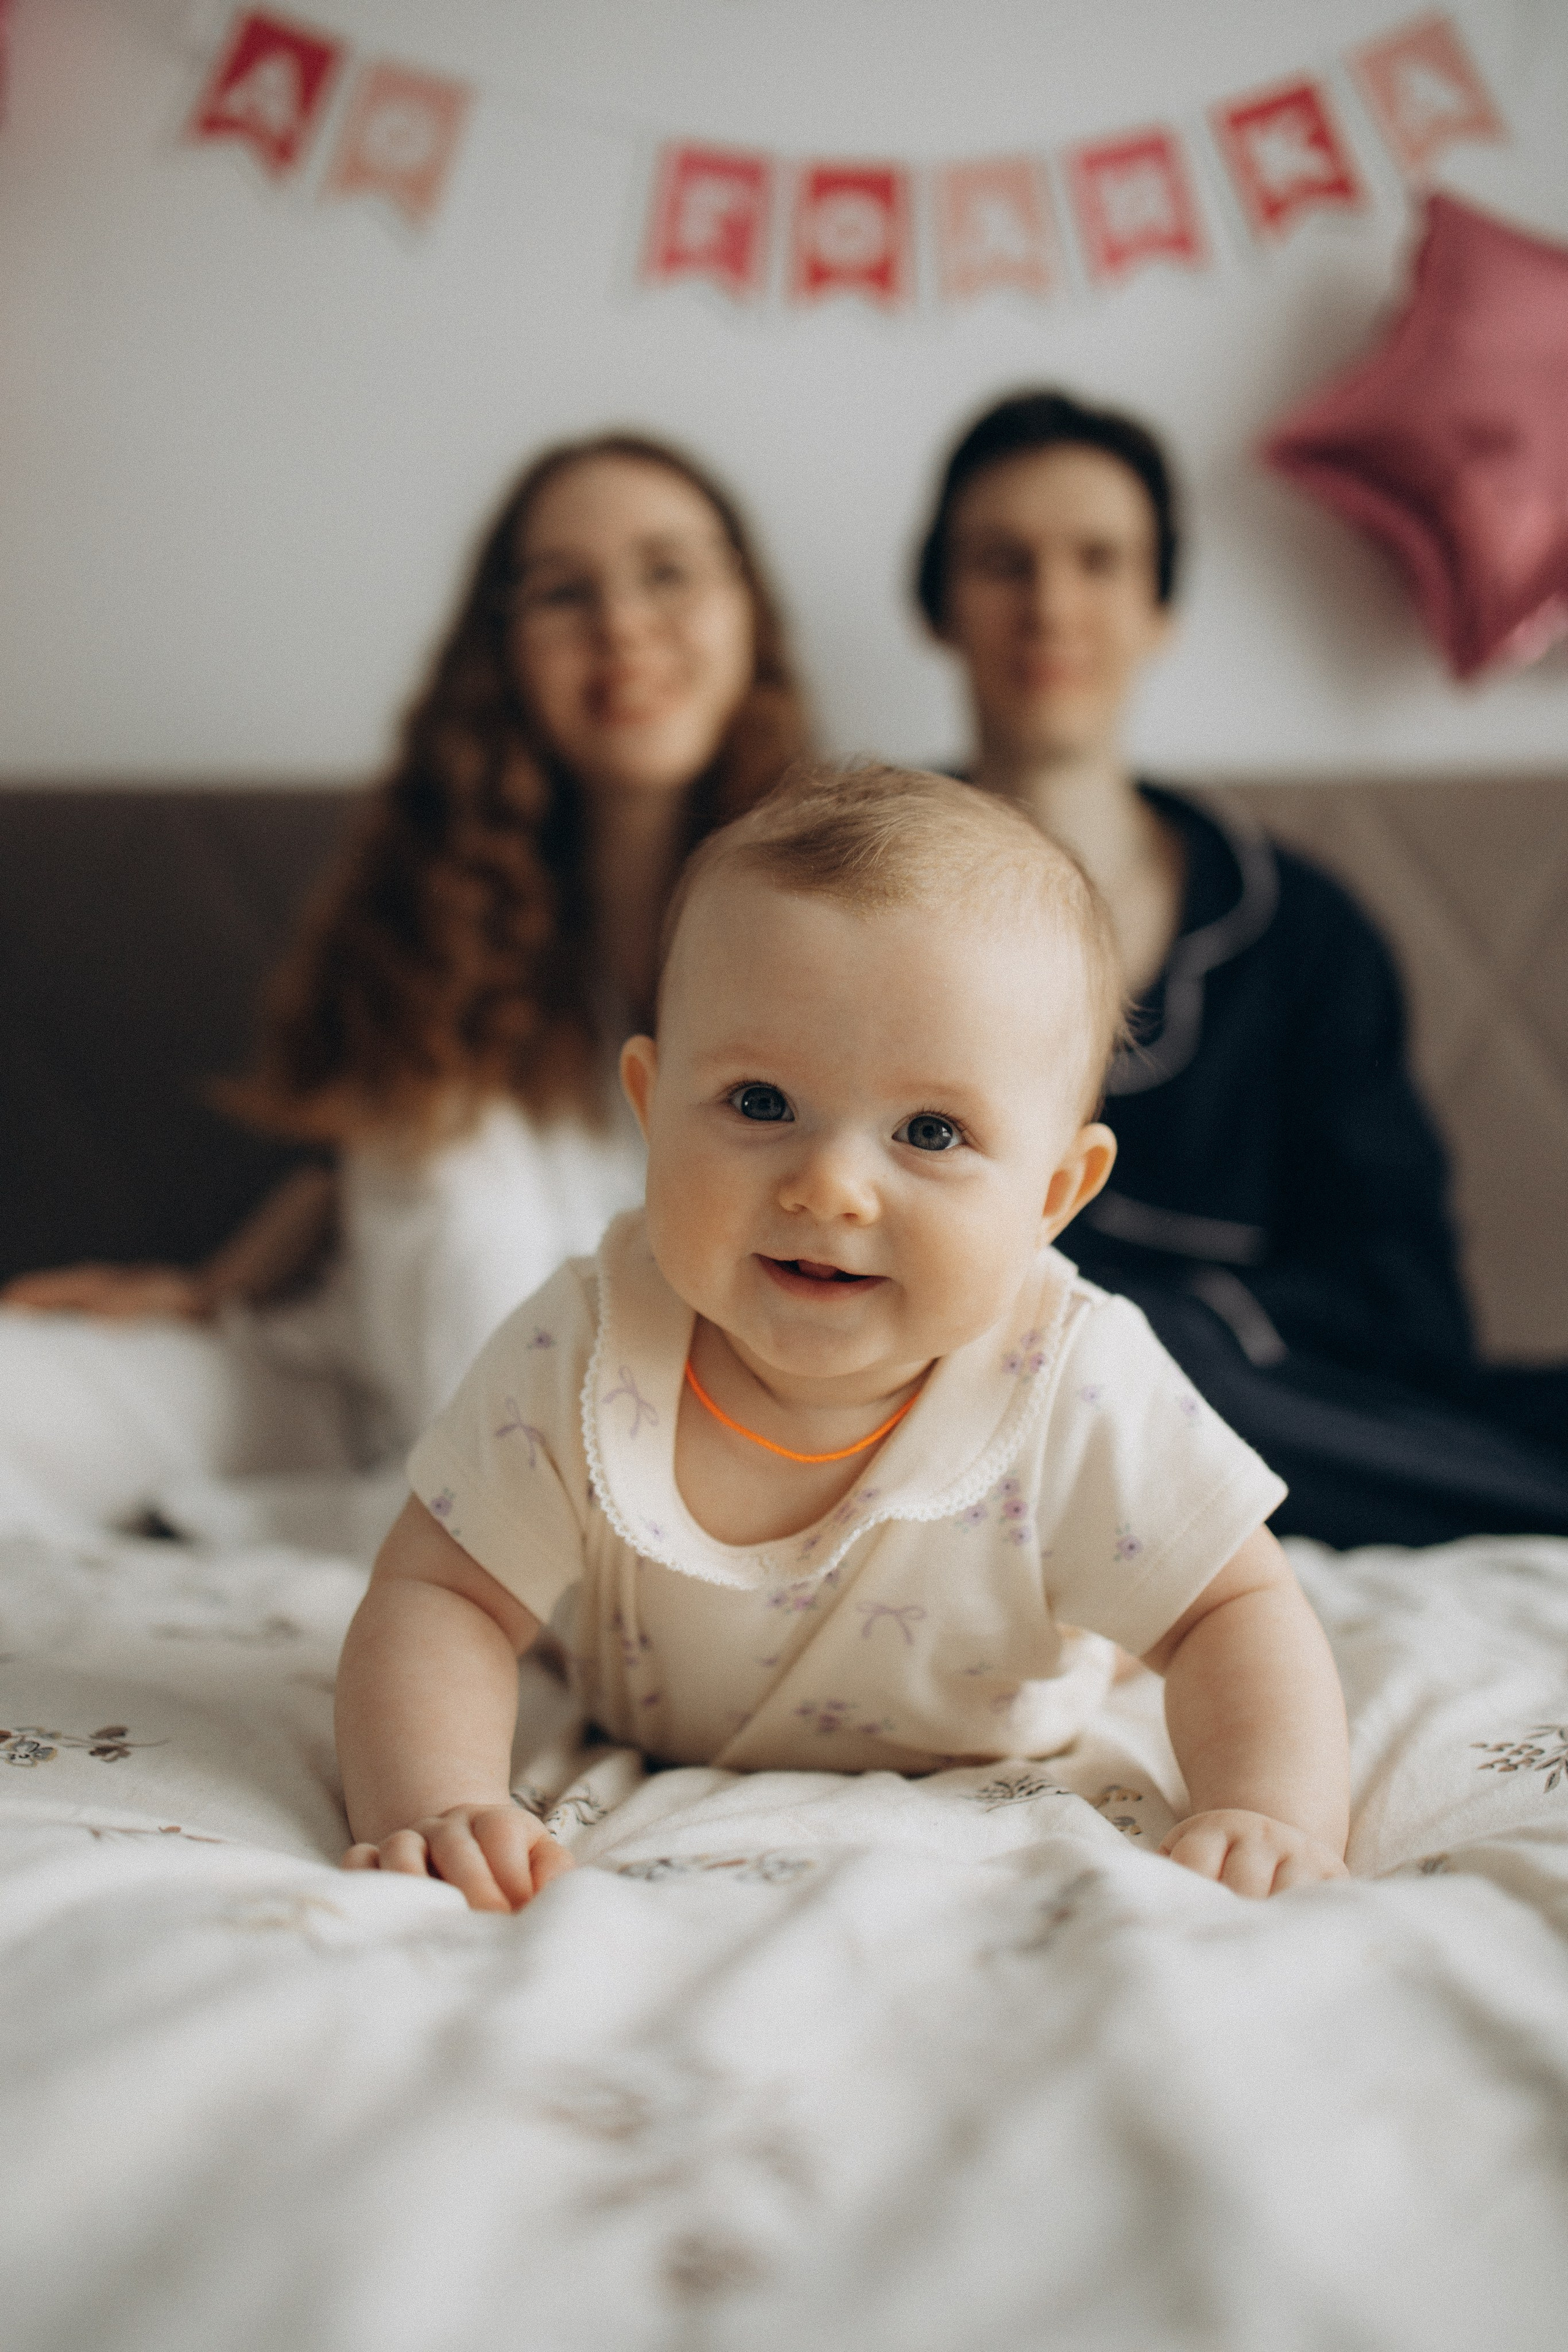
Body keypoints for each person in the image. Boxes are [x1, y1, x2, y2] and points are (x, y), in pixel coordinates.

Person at [334, 767, 1350, 1912]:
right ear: (650, 1104)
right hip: (650, 1716)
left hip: (1004, 1705)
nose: (830, 1187)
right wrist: (434, 1800)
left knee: (1158, 1583)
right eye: (760, 1102)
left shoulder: (1070, 1376)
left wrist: (1267, 1810)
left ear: (1056, 1192)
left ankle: (1099, 1619)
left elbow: (1238, 1613)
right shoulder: (587, 1341)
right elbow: (443, 1596)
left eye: (931, 1131)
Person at [0, 433, 810, 1553]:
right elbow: (383, 1162)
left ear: (747, 609)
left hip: (661, 1426)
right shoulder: (437, 899)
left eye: (667, 572)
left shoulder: (835, 913)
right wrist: (217, 1285)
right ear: (504, 649)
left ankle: (447, 1528)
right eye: (563, 592)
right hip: (356, 1376)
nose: (621, 624)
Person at [914, 387, 1568, 1550]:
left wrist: (1167, 1333)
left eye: (1100, 560)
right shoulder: (849, 912)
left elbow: (1411, 1310)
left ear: (1160, 607)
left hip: (1277, 1418)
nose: (1052, 603)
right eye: (1002, 562)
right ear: (939, 608)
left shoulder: (1305, 931)